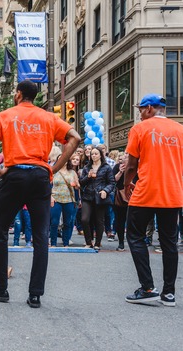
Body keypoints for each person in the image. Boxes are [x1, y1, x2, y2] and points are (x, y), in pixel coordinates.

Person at [0, 80, 80, 308]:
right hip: (40, 177)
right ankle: (35, 294)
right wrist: (53, 168)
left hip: (14, 175)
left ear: (18, 94)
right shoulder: (49, 117)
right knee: (40, 235)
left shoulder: (4, 115)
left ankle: (0, 289)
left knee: (1, 231)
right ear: (34, 97)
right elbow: (75, 137)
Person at [123, 94, 183, 306]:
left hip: (146, 192)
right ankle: (169, 294)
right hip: (172, 193)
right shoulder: (180, 130)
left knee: (135, 236)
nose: (139, 114)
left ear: (149, 109)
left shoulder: (140, 129)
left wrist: (126, 184)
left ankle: (148, 287)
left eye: (140, 109)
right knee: (169, 243)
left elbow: (131, 165)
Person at [79, 147, 115, 250]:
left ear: (100, 155)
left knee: (99, 221)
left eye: (96, 153)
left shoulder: (106, 167)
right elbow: (81, 182)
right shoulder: (87, 167)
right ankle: (88, 242)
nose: (93, 155)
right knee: (85, 219)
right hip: (88, 196)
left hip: (100, 196)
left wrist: (105, 191)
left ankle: (97, 243)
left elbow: (111, 183)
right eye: (92, 154)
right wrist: (88, 177)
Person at [50, 158, 80, 247]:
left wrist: (76, 185)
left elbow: (78, 186)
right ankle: (53, 243)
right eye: (60, 159)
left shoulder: (72, 172)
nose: (63, 161)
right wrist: (50, 196)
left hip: (69, 200)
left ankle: (66, 243)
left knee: (67, 222)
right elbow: (47, 185)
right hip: (56, 198)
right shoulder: (54, 171)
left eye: (65, 159)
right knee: (54, 222)